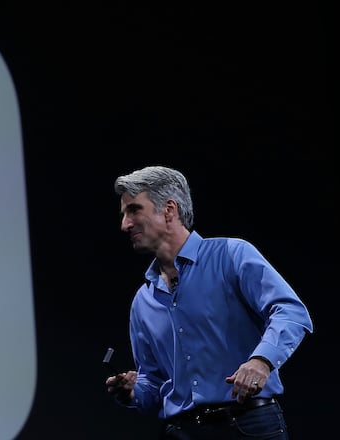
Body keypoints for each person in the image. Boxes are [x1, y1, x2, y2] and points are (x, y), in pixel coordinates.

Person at [106, 165, 313, 439]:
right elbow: (153, 383)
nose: (125, 224)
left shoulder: (231, 255)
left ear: (169, 209)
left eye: (134, 210)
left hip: (249, 425)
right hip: (183, 432)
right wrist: (132, 392)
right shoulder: (143, 301)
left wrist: (261, 361)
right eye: (124, 215)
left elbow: (290, 311)